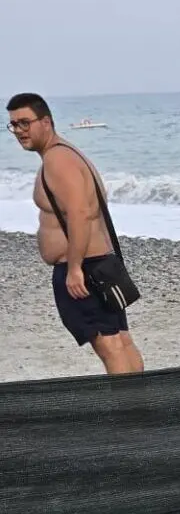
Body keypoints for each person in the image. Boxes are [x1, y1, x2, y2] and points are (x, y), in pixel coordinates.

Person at [7, 92, 145, 374]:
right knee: (120, 341)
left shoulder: (58, 160)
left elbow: (80, 213)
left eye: (25, 122)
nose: (19, 131)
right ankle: (139, 409)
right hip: (98, 265)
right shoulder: (70, 154)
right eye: (13, 125)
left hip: (85, 269)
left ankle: (131, 414)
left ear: (46, 121)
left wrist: (74, 269)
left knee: (111, 346)